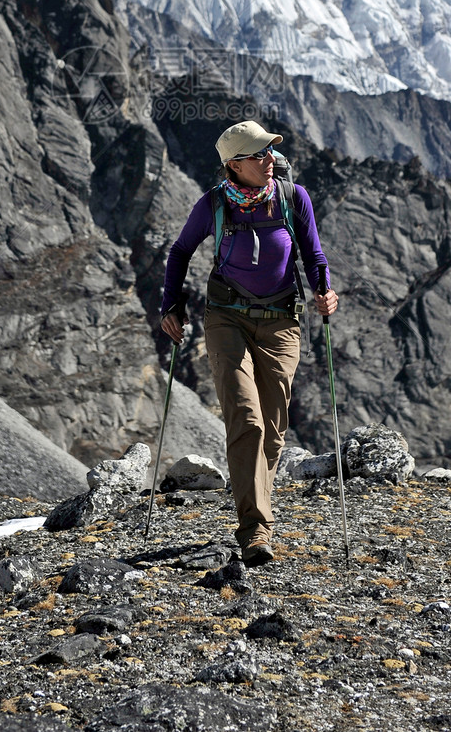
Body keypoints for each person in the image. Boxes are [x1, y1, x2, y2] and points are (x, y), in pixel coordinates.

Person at [160, 119, 338, 566]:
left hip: (281, 321)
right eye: (259, 155)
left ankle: (255, 500)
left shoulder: (293, 197)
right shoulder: (215, 205)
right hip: (225, 319)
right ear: (234, 166)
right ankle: (255, 530)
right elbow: (181, 251)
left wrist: (324, 288)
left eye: (270, 152)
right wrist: (171, 305)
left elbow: (313, 254)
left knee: (274, 433)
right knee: (248, 420)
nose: (269, 160)